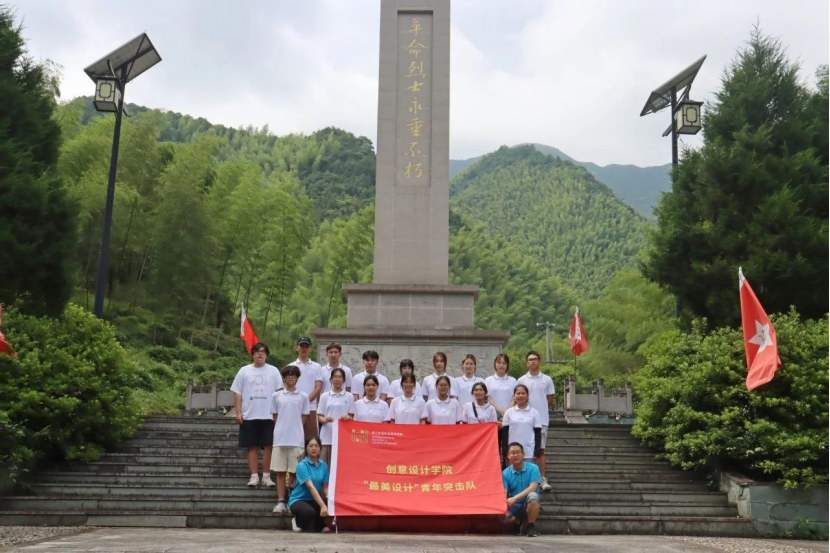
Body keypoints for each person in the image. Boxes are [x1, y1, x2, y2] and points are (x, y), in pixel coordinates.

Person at [230, 342, 283, 488]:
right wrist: (238, 412)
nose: (260, 354)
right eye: (257, 351)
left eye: (263, 352)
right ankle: (254, 476)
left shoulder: (273, 371)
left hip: (269, 415)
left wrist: (279, 413)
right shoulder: (244, 371)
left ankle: (266, 476)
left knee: (269, 446)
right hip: (250, 414)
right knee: (251, 446)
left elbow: (279, 393)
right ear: (252, 354)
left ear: (266, 355)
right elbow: (237, 393)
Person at [270, 364, 310, 514]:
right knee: (280, 472)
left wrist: (295, 427)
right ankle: (281, 501)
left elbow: (304, 417)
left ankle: (292, 500)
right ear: (284, 378)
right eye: (288, 375)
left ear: (297, 378)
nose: (290, 377)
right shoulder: (276, 396)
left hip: (297, 439)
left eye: (293, 375)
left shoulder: (303, 396)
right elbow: (275, 416)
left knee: (295, 472)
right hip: (280, 439)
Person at [517, 351, 555, 492]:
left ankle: (542, 478)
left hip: (541, 420)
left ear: (539, 361)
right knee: (523, 449)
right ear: (526, 363)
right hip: (523, 420)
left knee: (540, 450)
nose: (533, 361)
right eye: (530, 359)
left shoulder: (547, 379)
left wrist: (539, 411)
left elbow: (550, 399)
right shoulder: (521, 380)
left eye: (535, 359)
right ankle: (524, 478)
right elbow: (517, 398)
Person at [288, 436, 330, 533]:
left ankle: (320, 525)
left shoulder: (323, 465)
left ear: (320, 448)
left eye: (316, 446)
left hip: (313, 499)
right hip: (298, 500)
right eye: (311, 446)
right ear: (306, 448)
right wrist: (323, 505)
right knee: (309, 512)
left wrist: (329, 498)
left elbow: (325, 487)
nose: (314, 448)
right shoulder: (302, 465)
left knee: (329, 505)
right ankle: (297, 521)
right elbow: (310, 487)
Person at [316, 368, 355, 465]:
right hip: (327, 435)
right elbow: (319, 416)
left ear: (344, 380)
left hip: (343, 435)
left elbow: (352, 416)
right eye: (335, 377)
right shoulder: (324, 396)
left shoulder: (349, 396)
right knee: (325, 464)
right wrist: (325, 420)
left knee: (341, 464)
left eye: (340, 377)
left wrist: (348, 418)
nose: (337, 379)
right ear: (331, 379)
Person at [502, 442, 541, 537]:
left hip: (529, 503)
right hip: (514, 506)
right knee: (501, 515)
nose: (515, 455)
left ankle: (531, 526)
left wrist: (514, 498)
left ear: (523, 454)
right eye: (512, 453)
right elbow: (504, 492)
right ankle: (517, 522)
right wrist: (503, 507)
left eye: (518, 452)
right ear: (508, 455)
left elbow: (532, 488)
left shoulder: (534, 468)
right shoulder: (505, 473)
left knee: (533, 496)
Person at [500, 384, 543, 469]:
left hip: (529, 451)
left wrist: (537, 450)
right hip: (512, 452)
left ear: (527, 395)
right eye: (518, 393)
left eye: (523, 393)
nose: (520, 396)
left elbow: (538, 433)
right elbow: (504, 433)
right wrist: (505, 450)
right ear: (514, 396)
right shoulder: (509, 412)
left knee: (528, 473)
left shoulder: (535, 413)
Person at [293, 337, 323, 442]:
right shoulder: (291, 366)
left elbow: (318, 387)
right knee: (295, 437)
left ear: (310, 348)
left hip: (311, 407)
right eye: (302, 346)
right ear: (297, 347)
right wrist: (298, 402)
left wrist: (305, 401)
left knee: (312, 439)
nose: (304, 348)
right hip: (294, 406)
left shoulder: (317, 367)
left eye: (306, 346)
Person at [484, 353, 517, 418]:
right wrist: (501, 412)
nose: (501, 365)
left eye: (504, 363)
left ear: (507, 365)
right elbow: (488, 398)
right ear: (495, 364)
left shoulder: (513, 380)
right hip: (492, 414)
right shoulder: (488, 380)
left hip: (510, 414)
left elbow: (514, 399)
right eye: (499, 363)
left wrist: (506, 414)